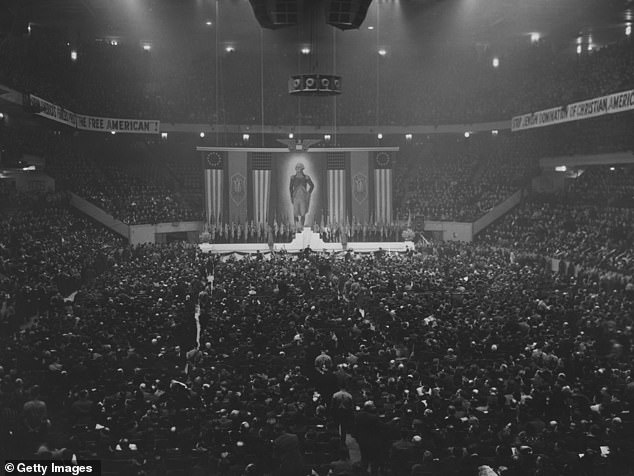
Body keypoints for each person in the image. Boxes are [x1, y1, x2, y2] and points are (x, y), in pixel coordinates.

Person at [289, 163, 314, 230]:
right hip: (296, 197)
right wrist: (291, 197)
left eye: (299, 168)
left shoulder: (306, 177)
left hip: (303, 197)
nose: (297, 169)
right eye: (296, 168)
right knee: (295, 213)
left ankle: (301, 227)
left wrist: (308, 193)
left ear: (302, 169)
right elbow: (290, 188)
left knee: (303, 212)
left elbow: (312, 186)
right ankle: (297, 227)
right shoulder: (293, 178)